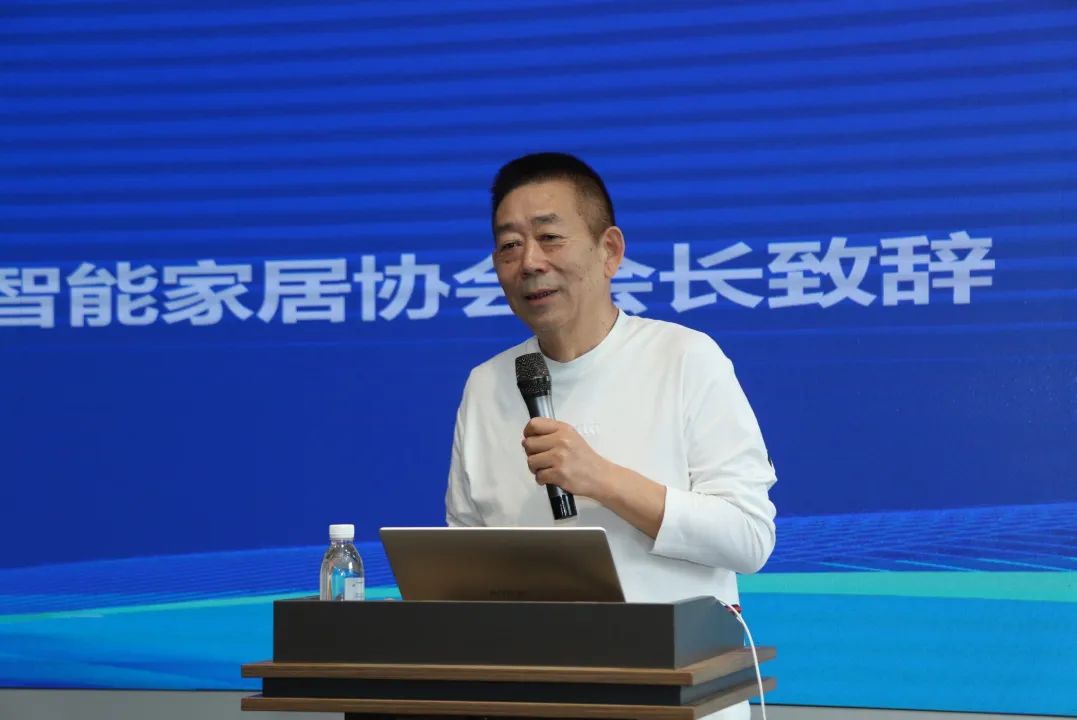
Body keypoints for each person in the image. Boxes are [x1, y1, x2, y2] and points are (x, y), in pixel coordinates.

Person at [444, 152, 776, 720]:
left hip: (678, 697)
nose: (529, 262)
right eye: (509, 245)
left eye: (549, 237)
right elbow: (461, 566)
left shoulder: (684, 359)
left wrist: (603, 479)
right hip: (537, 696)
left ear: (610, 251)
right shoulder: (486, 386)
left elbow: (749, 538)